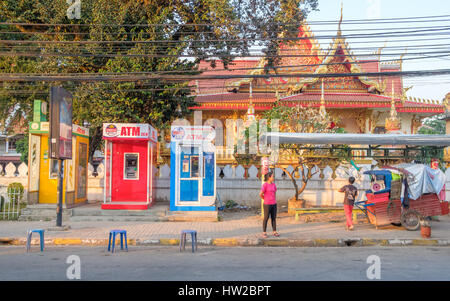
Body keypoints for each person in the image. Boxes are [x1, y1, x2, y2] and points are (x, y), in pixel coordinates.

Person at [259, 171, 279, 238]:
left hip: (274, 204)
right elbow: (260, 194)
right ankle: (264, 232)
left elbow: (274, 193)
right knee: (266, 218)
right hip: (267, 204)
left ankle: (274, 231)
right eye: (273, 176)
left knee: (274, 218)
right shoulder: (265, 185)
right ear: (269, 177)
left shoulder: (274, 185)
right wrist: (265, 199)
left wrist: (274, 200)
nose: (274, 177)